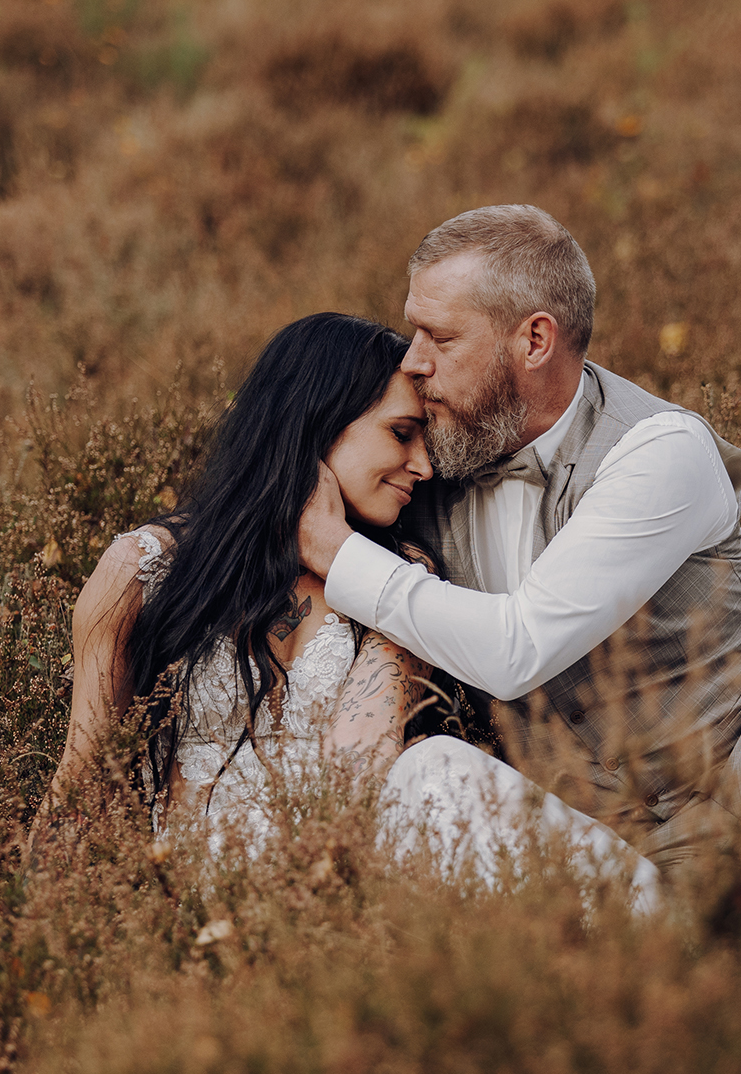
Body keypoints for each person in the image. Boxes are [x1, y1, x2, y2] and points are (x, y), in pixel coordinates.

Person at [298, 206, 741, 888]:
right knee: (436, 781)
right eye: (414, 331)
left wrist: (338, 552)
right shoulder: (433, 459)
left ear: (534, 341)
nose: (414, 362)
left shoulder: (658, 450)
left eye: (440, 337)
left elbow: (517, 647)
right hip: (614, 851)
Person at [42, 312, 661, 914]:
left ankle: (660, 929)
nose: (424, 465)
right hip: (181, 909)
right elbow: (81, 782)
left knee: (436, 771)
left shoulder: (392, 583)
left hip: (321, 891)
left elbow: (355, 774)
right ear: (316, 424)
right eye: (400, 433)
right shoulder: (141, 572)